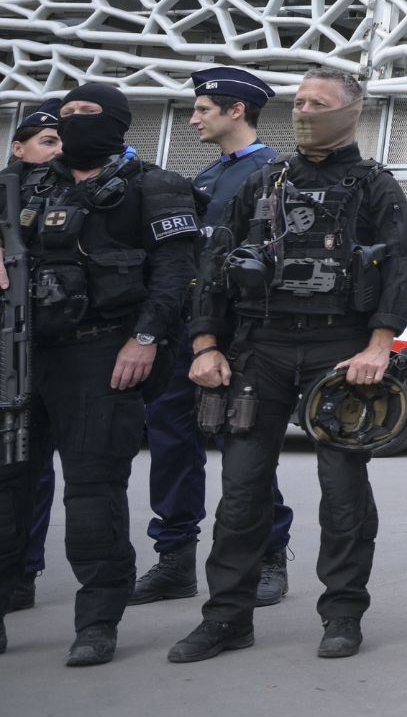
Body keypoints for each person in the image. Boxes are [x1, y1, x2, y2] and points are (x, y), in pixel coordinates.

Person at [168, 68, 407, 662]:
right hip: (262, 351)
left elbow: (402, 267)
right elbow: (213, 265)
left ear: (352, 112)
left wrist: (379, 346)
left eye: (319, 103)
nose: (305, 111)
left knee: (342, 493)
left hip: (342, 353)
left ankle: (342, 614)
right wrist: (206, 345)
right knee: (240, 493)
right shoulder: (263, 181)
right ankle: (227, 616)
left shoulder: (374, 184)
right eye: (300, 101)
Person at [0, 83, 198, 664]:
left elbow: (174, 274)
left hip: (101, 352)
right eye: (64, 115)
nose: (72, 124)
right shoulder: (25, 182)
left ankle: (97, 622)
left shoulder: (155, 186)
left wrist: (144, 340)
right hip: (22, 353)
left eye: (86, 114)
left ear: (116, 122)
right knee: (6, 487)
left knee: (92, 492)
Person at [129, 68, 295, 609]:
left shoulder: (276, 173)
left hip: (242, 332)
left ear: (236, 111)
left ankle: (268, 553)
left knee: (244, 444)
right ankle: (175, 557)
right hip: (186, 328)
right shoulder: (203, 178)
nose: (194, 117)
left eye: (203, 109)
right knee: (172, 441)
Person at [4, 100, 62, 615]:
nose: (57, 149)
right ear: (18, 148)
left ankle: (22, 570)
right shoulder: (5, 193)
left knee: (30, 464)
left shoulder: (78, 193)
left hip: (49, 347)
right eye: (47, 140)